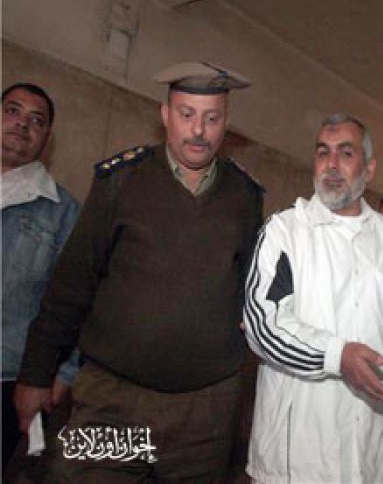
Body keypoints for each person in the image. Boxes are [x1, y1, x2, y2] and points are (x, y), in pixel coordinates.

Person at [14, 62, 264, 481]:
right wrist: (36, 375)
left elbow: (247, 294)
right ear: (165, 115)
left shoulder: (245, 197)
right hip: (112, 404)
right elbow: (71, 285)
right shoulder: (121, 181)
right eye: (186, 114)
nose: (198, 130)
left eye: (212, 118)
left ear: (226, 124)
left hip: (203, 419)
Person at [244, 113, 383, 483]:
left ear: (369, 169)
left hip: (371, 452)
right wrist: (338, 356)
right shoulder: (285, 231)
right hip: (296, 457)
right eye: (323, 153)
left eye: (345, 153)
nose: (331, 165)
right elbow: (262, 327)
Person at [2, 83, 80, 475]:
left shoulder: (62, 213)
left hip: (7, 377)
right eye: (12, 111)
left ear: (46, 137)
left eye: (36, 120)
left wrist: (62, 375)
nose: (22, 124)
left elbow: (76, 303)